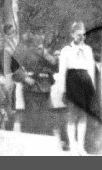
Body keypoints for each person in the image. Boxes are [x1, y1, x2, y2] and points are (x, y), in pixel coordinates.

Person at [58, 21, 96, 155]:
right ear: (72, 35)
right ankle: (72, 145)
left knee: (83, 116)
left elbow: (91, 70)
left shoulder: (88, 50)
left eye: (84, 35)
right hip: (72, 82)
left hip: (85, 82)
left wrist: (92, 90)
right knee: (72, 116)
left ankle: (81, 146)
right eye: (78, 35)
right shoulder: (66, 50)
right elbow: (62, 72)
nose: (82, 37)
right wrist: (62, 90)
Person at [11, 32, 58, 136]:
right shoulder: (23, 50)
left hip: (45, 88)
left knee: (46, 121)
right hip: (31, 89)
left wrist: (46, 55)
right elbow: (13, 66)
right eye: (38, 32)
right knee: (31, 120)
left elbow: (55, 66)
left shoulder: (45, 51)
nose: (41, 36)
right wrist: (25, 77)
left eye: (42, 33)